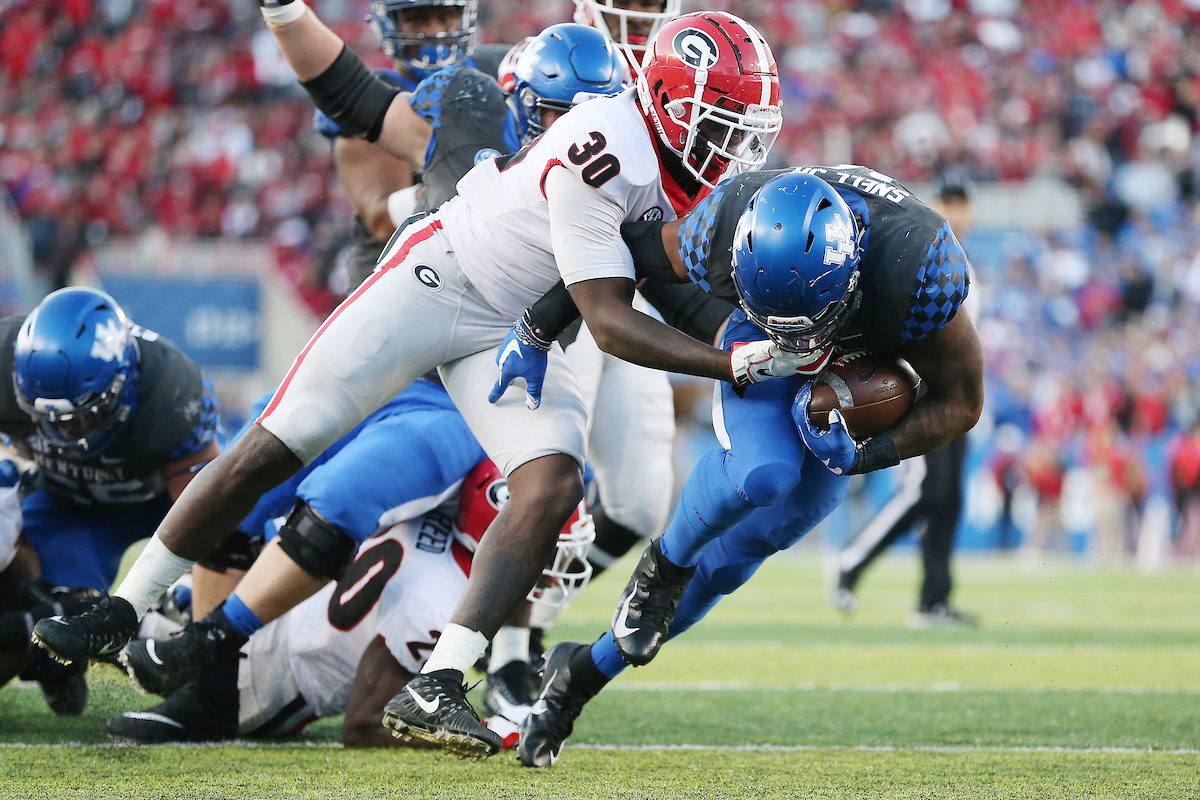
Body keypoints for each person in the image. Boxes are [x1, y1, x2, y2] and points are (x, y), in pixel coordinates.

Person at [34, 5, 794, 761]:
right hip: (439, 278)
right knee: (284, 437)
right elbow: (610, 319)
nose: (734, 145)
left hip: (512, 327)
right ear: (671, 103)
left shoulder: (672, 146)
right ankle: (122, 609)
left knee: (553, 483)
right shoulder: (607, 144)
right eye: (723, 124)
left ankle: (439, 682)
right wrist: (734, 362)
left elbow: (642, 264)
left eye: (744, 128)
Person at [513, 167, 985, 767]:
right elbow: (617, 252)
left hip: (854, 363)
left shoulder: (919, 266)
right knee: (765, 472)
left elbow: (962, 404)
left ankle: (580, 675)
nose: (799, 341)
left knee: (741, 555)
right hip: (755, 346)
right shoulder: (725, 224)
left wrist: (868, 453)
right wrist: (538, 325)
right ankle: (662, 570)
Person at [107, 458, 594, 748]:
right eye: (545, 549)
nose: (551, 567)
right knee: (137, 654)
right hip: (274, 678)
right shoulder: (443, 600)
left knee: (129, 633)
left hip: (274, 609)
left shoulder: (433, 512)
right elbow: (365, 721)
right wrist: (485, 733)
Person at [2, 287, 219, 713]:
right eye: (45, 417)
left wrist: (193, 585)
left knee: (209, 599)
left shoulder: (171, 391)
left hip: (162, 504)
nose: (62, 432)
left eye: (82, 415)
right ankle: (53, 666)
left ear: (123, 383)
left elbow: (208, 514)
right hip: (68, 505)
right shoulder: (1, 362)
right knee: (44, 620)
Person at [830, 173, 981, 628]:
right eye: (949, 201)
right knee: (926, 491)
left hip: (957, 393)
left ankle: (934, 599)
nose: (957, 211)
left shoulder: (965, 262)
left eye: (962, 202)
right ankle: (852, 560)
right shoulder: (923, 253)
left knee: (948, 497)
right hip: (924, 386)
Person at [319, 0, 512, 288]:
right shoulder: (372, 100)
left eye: (446, 18)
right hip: (402, 278)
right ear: (387, 24)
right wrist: (464, 184)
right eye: (418, 20)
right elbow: (382, 220)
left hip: (487, 269)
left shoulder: (499, 66)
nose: (435, 31)